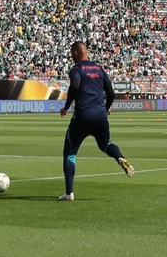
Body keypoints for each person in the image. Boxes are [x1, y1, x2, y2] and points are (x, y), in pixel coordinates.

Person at [56, 41, 135, 201]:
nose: (71, 56)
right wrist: (106, 107)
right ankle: (120, 158)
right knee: (106, 144)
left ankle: (69, 192)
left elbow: (75, 85)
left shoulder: (77, 69)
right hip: (100, 116)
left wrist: (66, 106)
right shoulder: (99, 69)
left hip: (82, 117)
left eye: (72, 53)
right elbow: (111, 93)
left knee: (70, 152)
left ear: (76, 52)